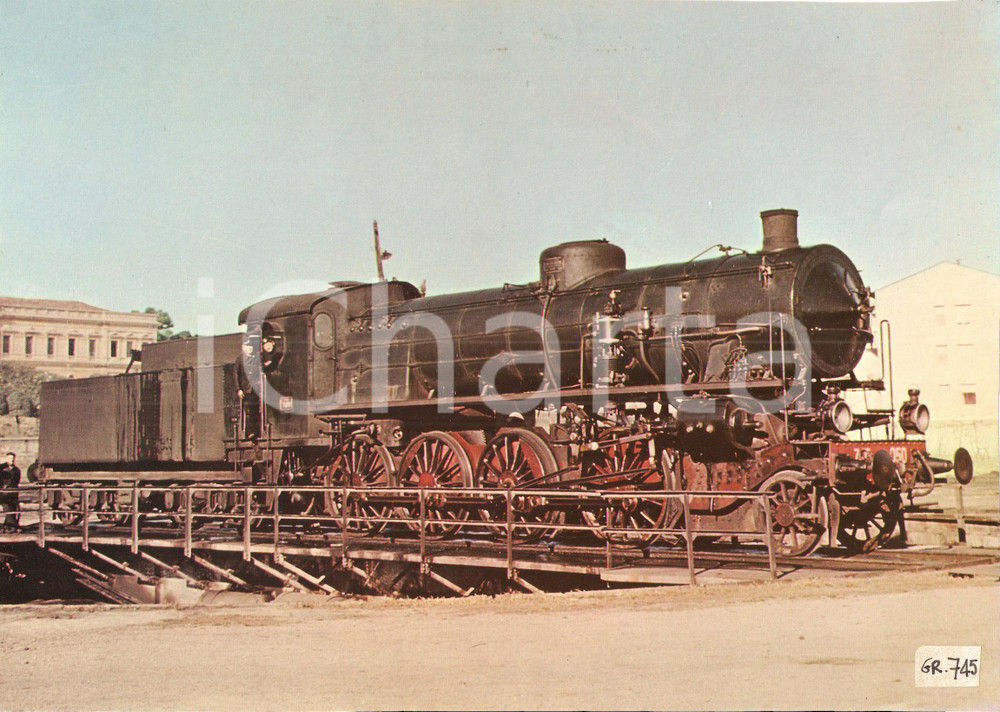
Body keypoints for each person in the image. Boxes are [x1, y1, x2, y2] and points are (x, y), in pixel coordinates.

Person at [0, 452, 21, 532]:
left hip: (12, 493)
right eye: (9, 458)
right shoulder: (1, 468)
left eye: (12, 459)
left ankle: (10, 525)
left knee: (13, 508)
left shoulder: (16, 470)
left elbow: (16, 481)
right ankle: (11, 526)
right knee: (7, 506)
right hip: (3, 493)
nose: (11, 460)